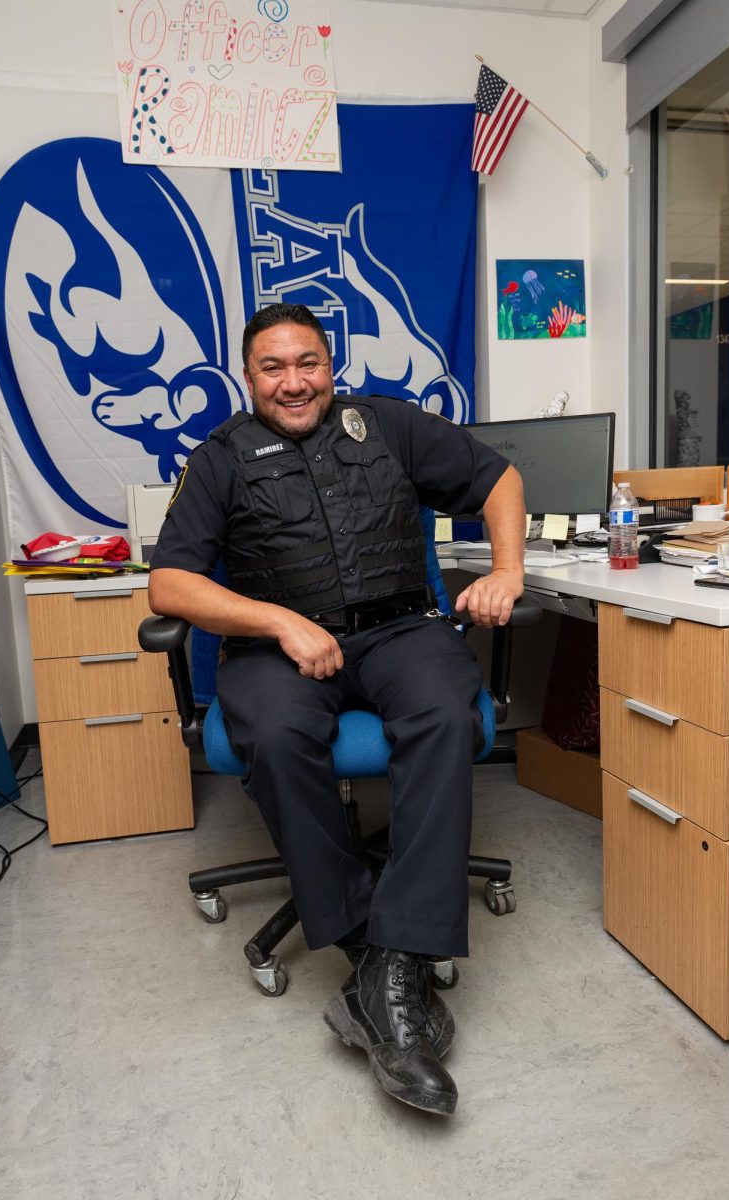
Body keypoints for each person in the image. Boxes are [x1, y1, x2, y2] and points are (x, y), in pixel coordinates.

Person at [149, 302, 525, 1116]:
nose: (293, 382)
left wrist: (506, 569)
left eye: (307, 363)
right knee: (278, 736)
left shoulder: (386, 423)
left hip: (397, 630)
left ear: (331, 362)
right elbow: (170, 585)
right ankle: (384, 966)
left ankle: (384, 971)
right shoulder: (218, 458)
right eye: (273, 368)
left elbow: (497, 477)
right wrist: (281, 622)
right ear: (248, 378)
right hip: (278, 646)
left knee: (442, 715)